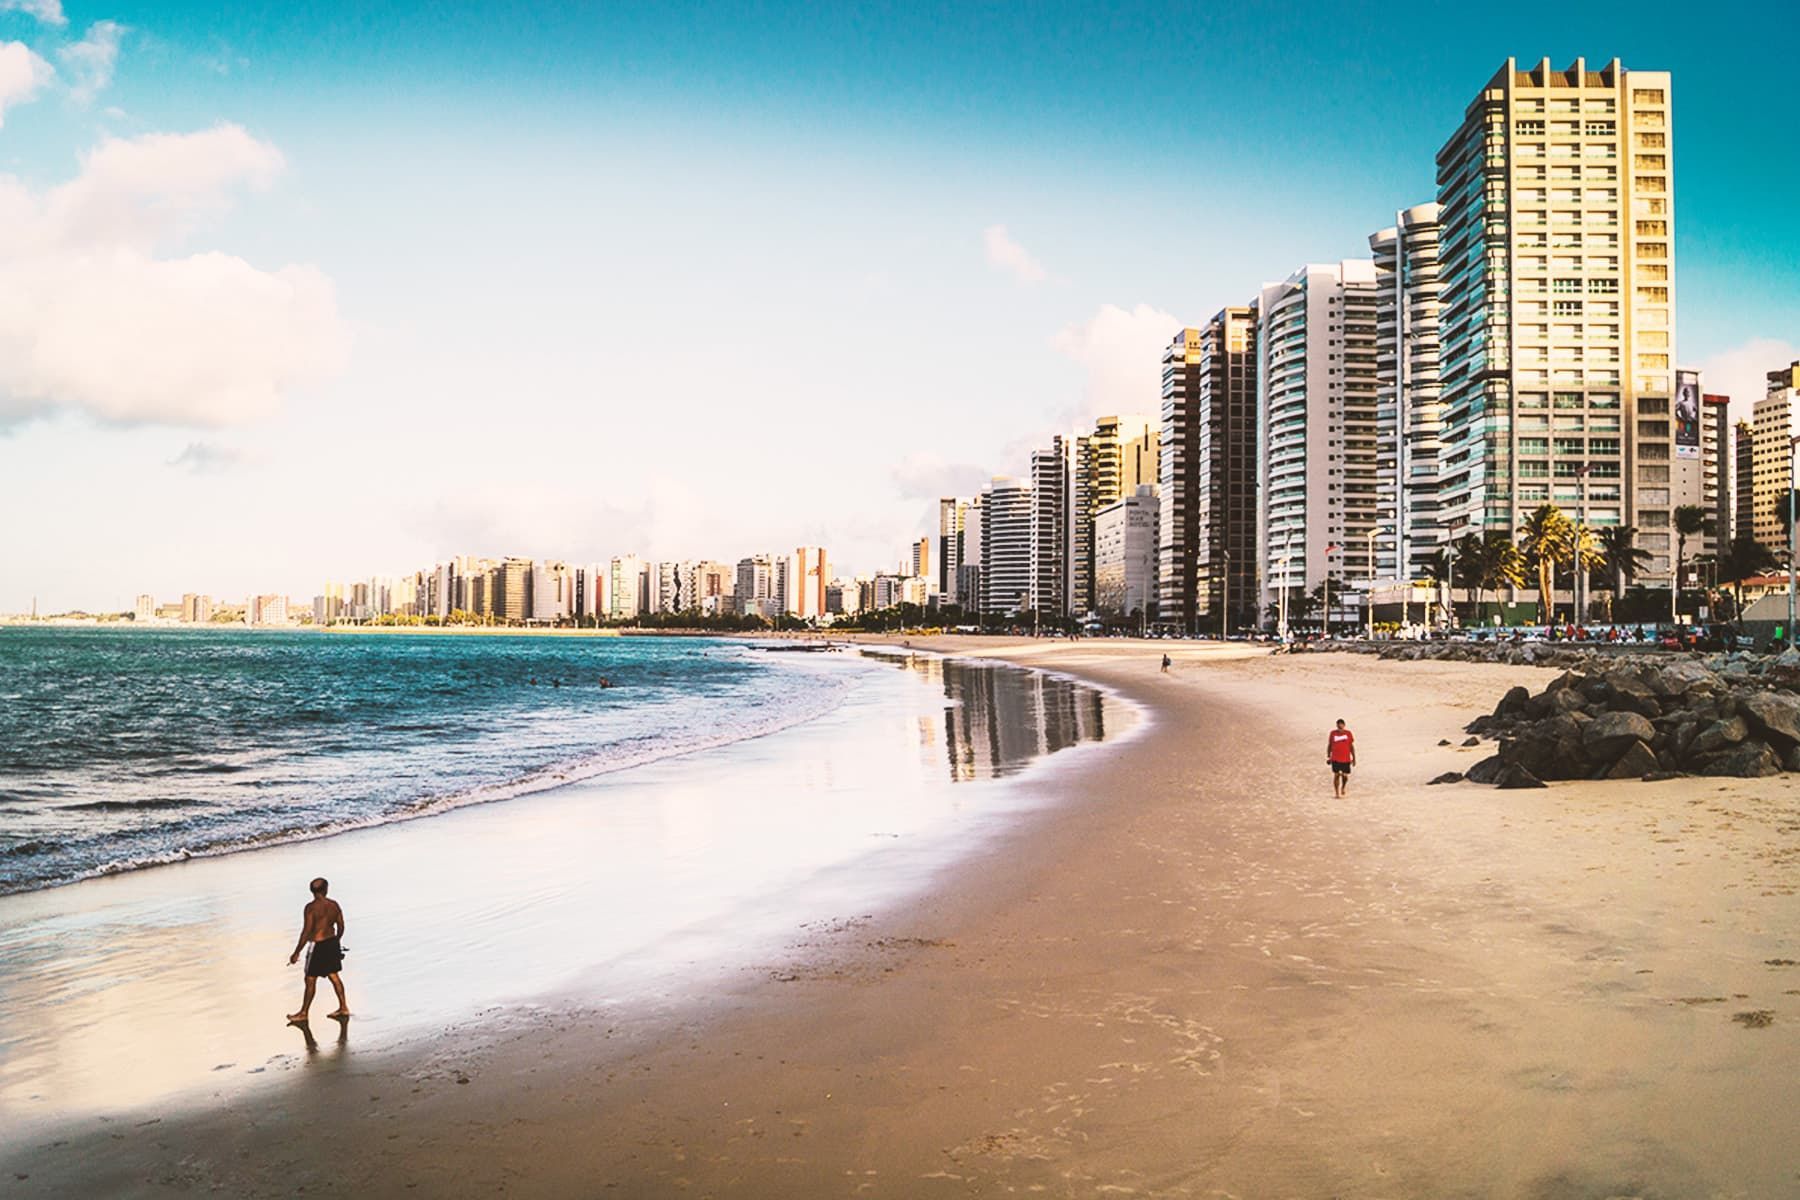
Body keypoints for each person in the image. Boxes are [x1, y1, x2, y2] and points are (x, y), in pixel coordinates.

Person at [288, 876, 349, 1023]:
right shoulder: (334, 905)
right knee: (334, 976)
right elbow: (341, 926)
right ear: (326, 889)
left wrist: (296, 952)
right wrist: (336, 941)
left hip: (317, 946)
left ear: (312, 891)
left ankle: (303, 1013)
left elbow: (306, 931)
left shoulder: (311, 908)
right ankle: (343, 1007)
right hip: (331, 942)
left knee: (310, 979)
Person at [1326, 719, 1356, 798]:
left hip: (1346, 758)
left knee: (1345, 776)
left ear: (1344, 725)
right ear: (1337, 725)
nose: (1340, 726)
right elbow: (1330, 745)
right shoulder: (1333, 733)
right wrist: (1328, 755)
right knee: (1336, 775)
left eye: (1341, 724)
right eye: (1338, 725)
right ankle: (1337, 793)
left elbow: (1351, 746)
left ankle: (1343, 787)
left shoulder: (1348, 733)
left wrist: (1354, 758)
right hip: (1335, 758)